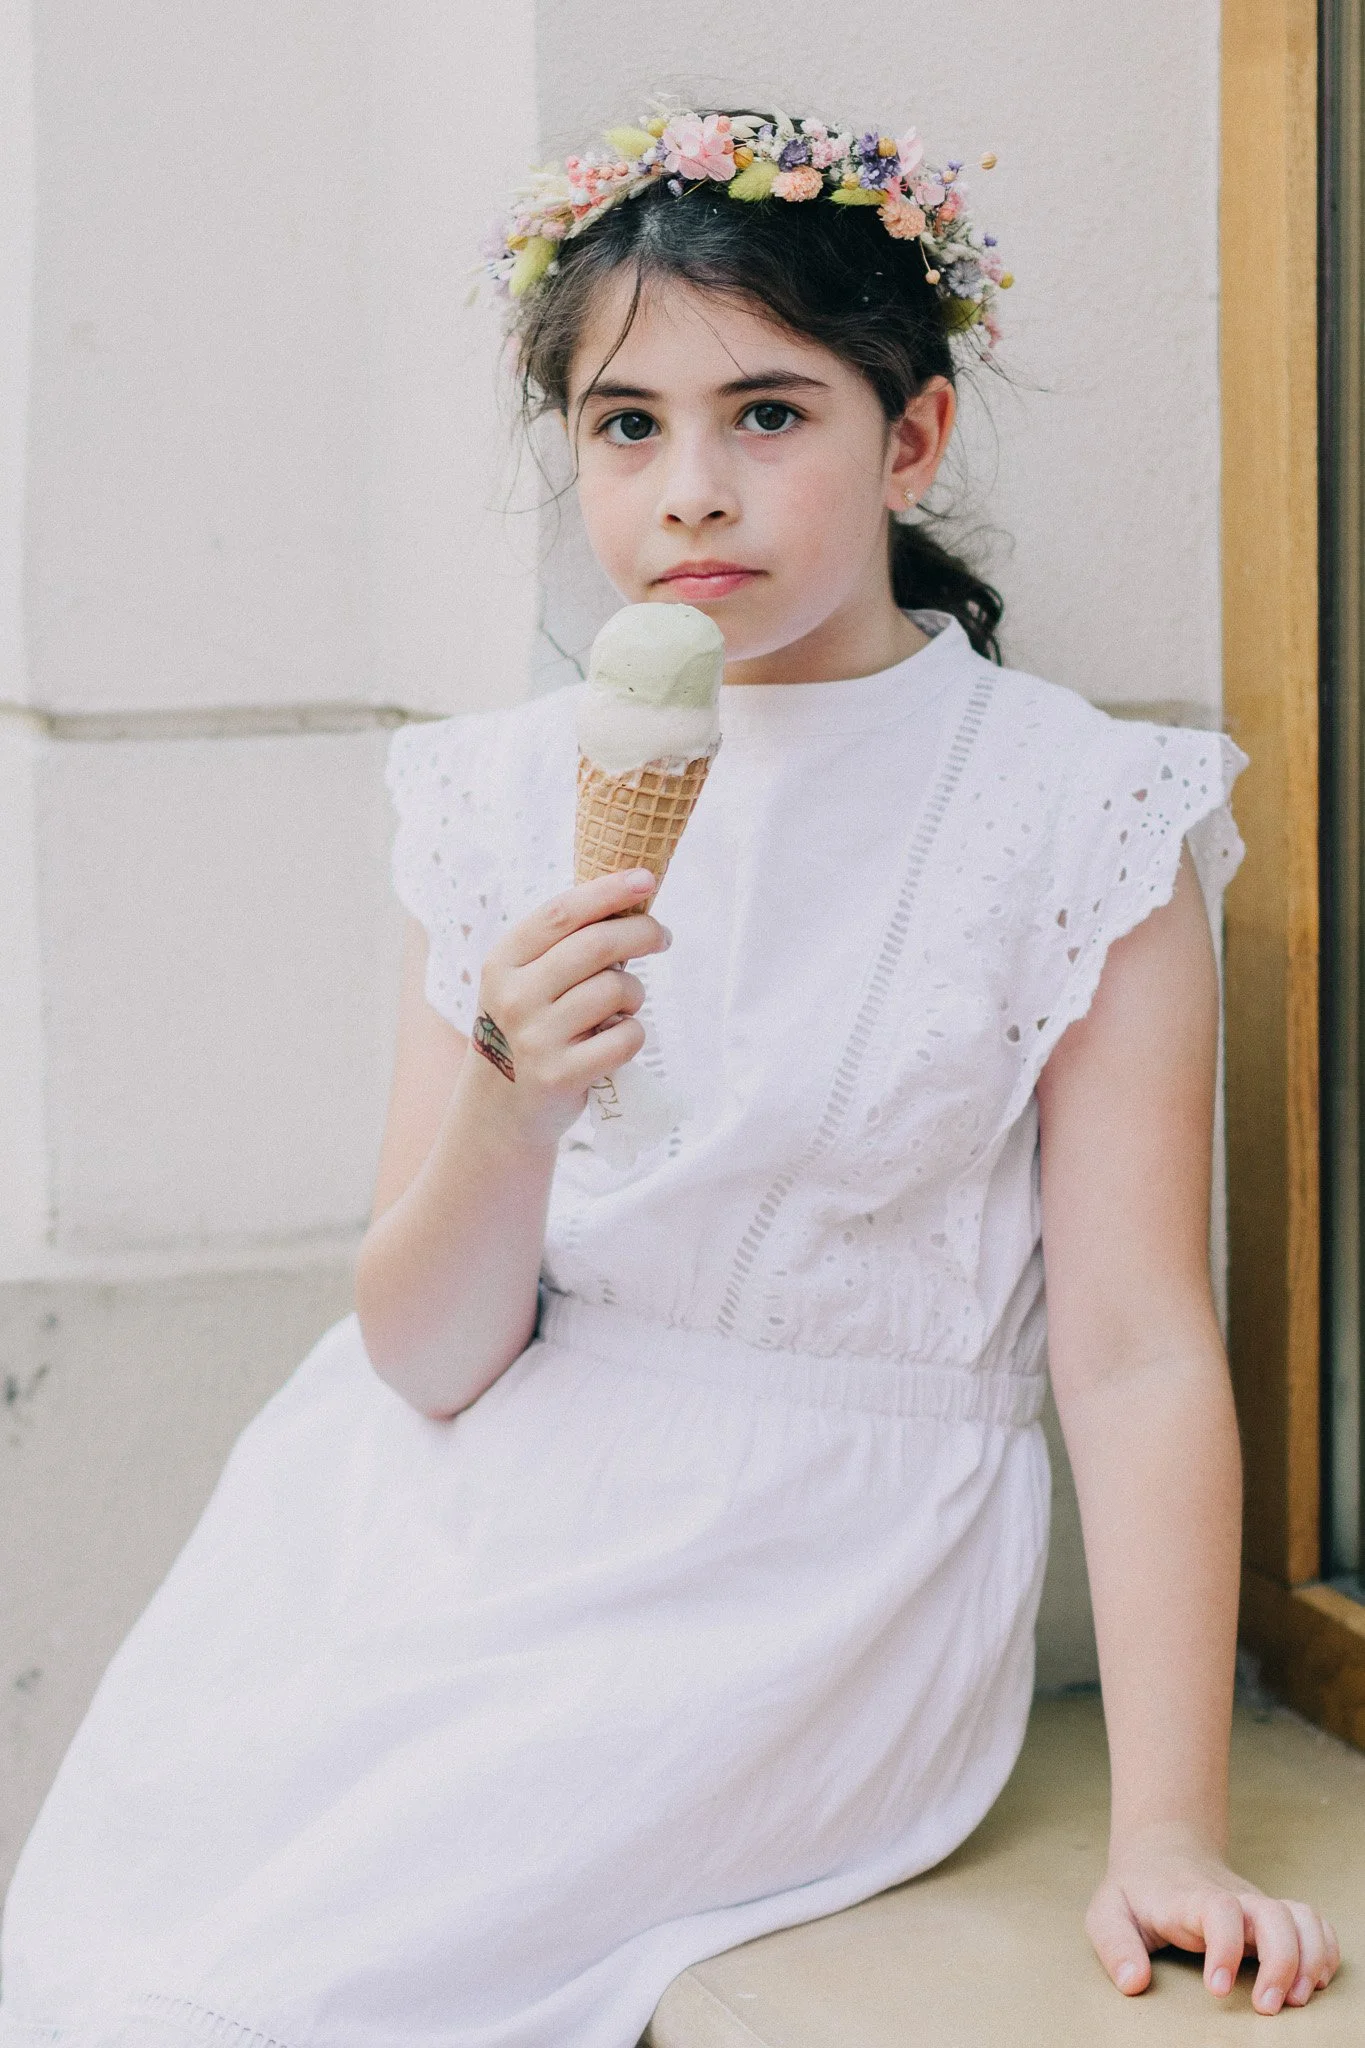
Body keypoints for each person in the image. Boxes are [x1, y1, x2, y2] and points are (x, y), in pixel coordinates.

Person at [0, 102, 1341, 2048]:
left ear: (913, 437)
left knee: (330, 1978)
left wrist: (1172, 1826)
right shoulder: (487, 794)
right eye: (626, 423)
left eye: (767, 413)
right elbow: (423, 1353)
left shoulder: (1076, 808)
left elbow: (1133, 1351)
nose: (688, 489)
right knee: (139, 1961)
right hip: (430, 1517)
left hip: (809, 1575)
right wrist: (509, 1098)